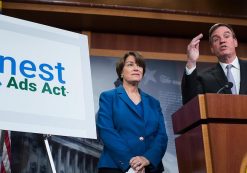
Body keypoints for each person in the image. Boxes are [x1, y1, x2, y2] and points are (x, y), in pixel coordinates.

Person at [96, 51, 168, 173]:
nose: (136, 68)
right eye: (130, 64)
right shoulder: (108, 97)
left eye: (139, 65)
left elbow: (161, 136)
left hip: (149, 168)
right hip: (116, 167)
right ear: (121, 72)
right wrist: (131, 164)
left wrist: (146, 159)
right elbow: (106, 131)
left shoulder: (154, 103)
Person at [181, 23, 247, 104]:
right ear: (212, 49)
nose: (222, 41)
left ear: (235, 42)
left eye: (226, 36)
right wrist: (191, 61)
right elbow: (190, 103)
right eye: (216, 39)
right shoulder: (204, 78)